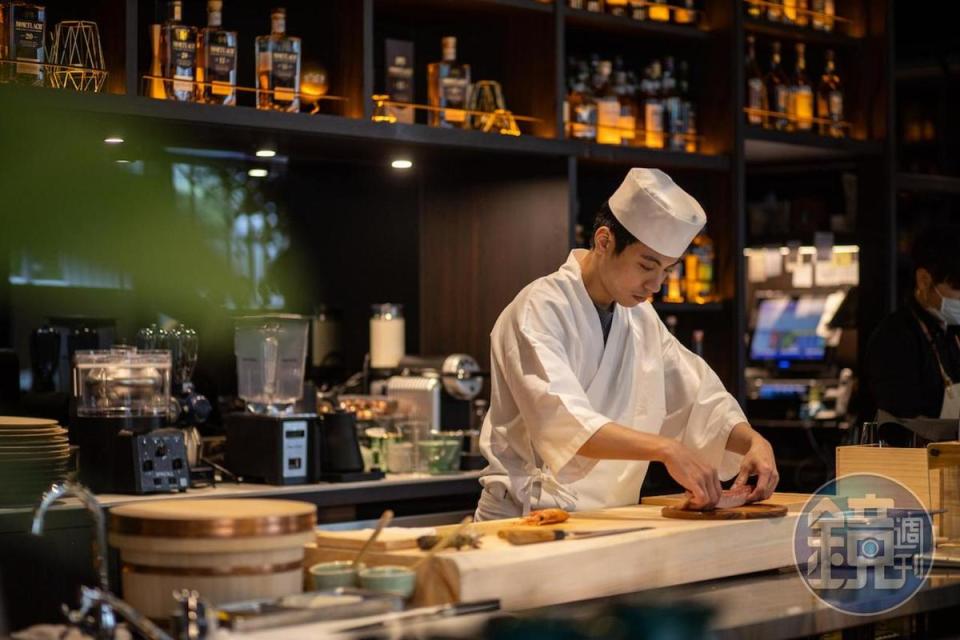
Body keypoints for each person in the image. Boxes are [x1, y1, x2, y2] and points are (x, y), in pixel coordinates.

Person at [475, 168, 778, 520]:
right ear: (604, 241)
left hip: (609, 519)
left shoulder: (640, 319)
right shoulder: (538, 310)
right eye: (647, 265)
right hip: (525, 517)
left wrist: (753, 441)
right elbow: (566, 422)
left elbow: (698, 399)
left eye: (667, 270)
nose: (655, 285)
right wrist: (666, 449)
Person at [865, 225, 960, 438]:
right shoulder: (894, 336)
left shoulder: (951, 332)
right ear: (924, 280)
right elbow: (900, 416)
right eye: (957, 289)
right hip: (907, 460)